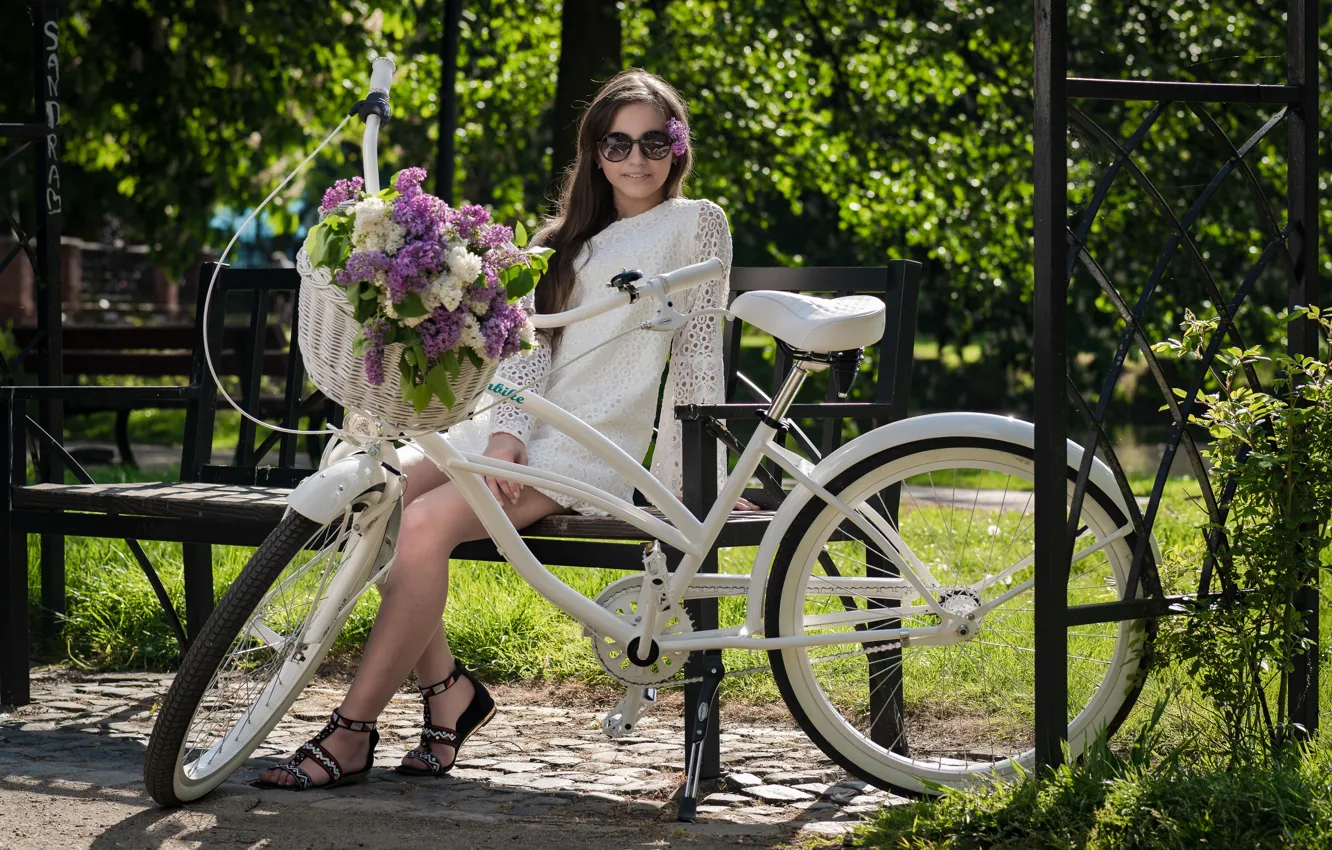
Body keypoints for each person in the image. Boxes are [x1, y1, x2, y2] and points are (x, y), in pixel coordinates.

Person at [257, 68, 757, 790]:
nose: (636, 158)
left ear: (679, 146)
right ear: (593, 152)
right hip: (512, 433)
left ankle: (351, 731)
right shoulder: (561, 239)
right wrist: (504, 435)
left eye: (655, 140)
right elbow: (525, 360)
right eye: (617, 143)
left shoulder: (696, 223)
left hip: (590, 448)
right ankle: (451, 696)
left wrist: (695, 484)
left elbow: (698, 356)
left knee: (426, 526)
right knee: (385, 501)